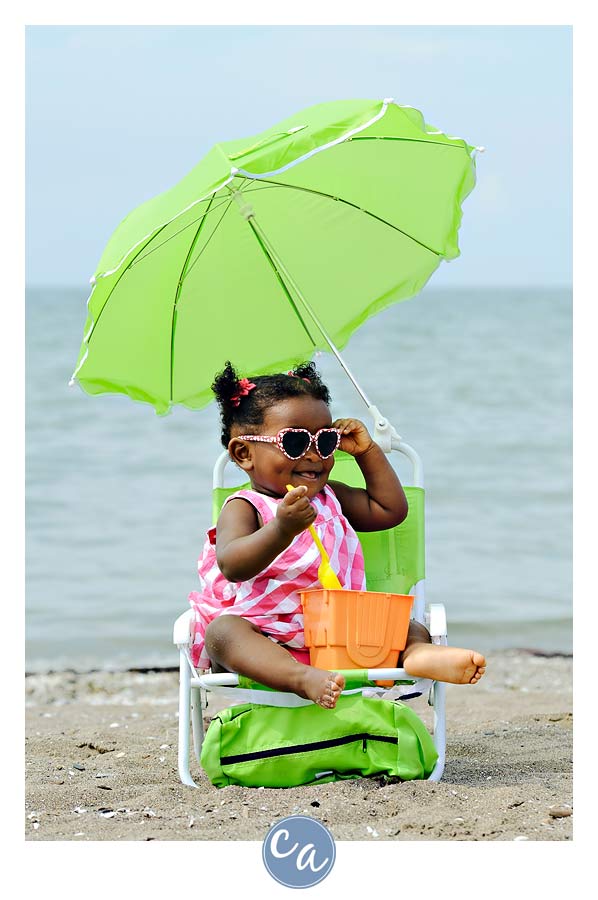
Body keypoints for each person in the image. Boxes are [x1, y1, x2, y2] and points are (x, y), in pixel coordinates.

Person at [188, 360, 486, 709]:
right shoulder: (245, 506)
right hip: (269, 636)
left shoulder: (331, 497)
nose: (315, 454)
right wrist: (281, 528)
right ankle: (302, 678)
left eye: (326, 440)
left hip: (343, 634)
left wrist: (367, 452)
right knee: (222, 633)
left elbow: (390, 510)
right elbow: (233, 564)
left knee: (403, 623)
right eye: (295, 441)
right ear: (244, 453)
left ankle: (418, 652)